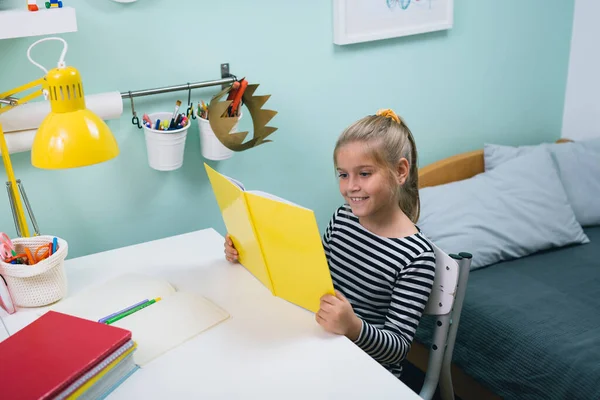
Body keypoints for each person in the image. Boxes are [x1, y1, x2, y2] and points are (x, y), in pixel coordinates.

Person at [224, 109, 436, 379]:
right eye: (343, 175)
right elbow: (314, 277)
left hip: (366, 370)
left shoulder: (416, 256)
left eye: (364, 173)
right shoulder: (343, 218)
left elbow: (398, 348)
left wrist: (353, 327)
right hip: (320, 342)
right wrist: (246, 249)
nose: (351, 187)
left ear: (400, 171)